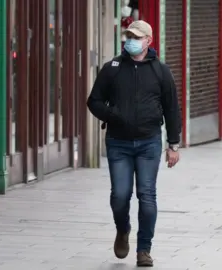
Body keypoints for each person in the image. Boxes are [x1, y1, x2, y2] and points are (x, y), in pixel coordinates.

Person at [86, 20, 181, 267]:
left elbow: (172, 109)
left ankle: (144, 250)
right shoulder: (113, 68)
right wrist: (112, 115)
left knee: (146, 195)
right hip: (118, 143)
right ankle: (123, 228)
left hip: (149, 143)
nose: (131, 40)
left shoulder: (161, 71)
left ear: (148, 41)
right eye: (129, 36)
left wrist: (173, 144)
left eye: (137, 37)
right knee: (120, 195)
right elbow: (94, 101)